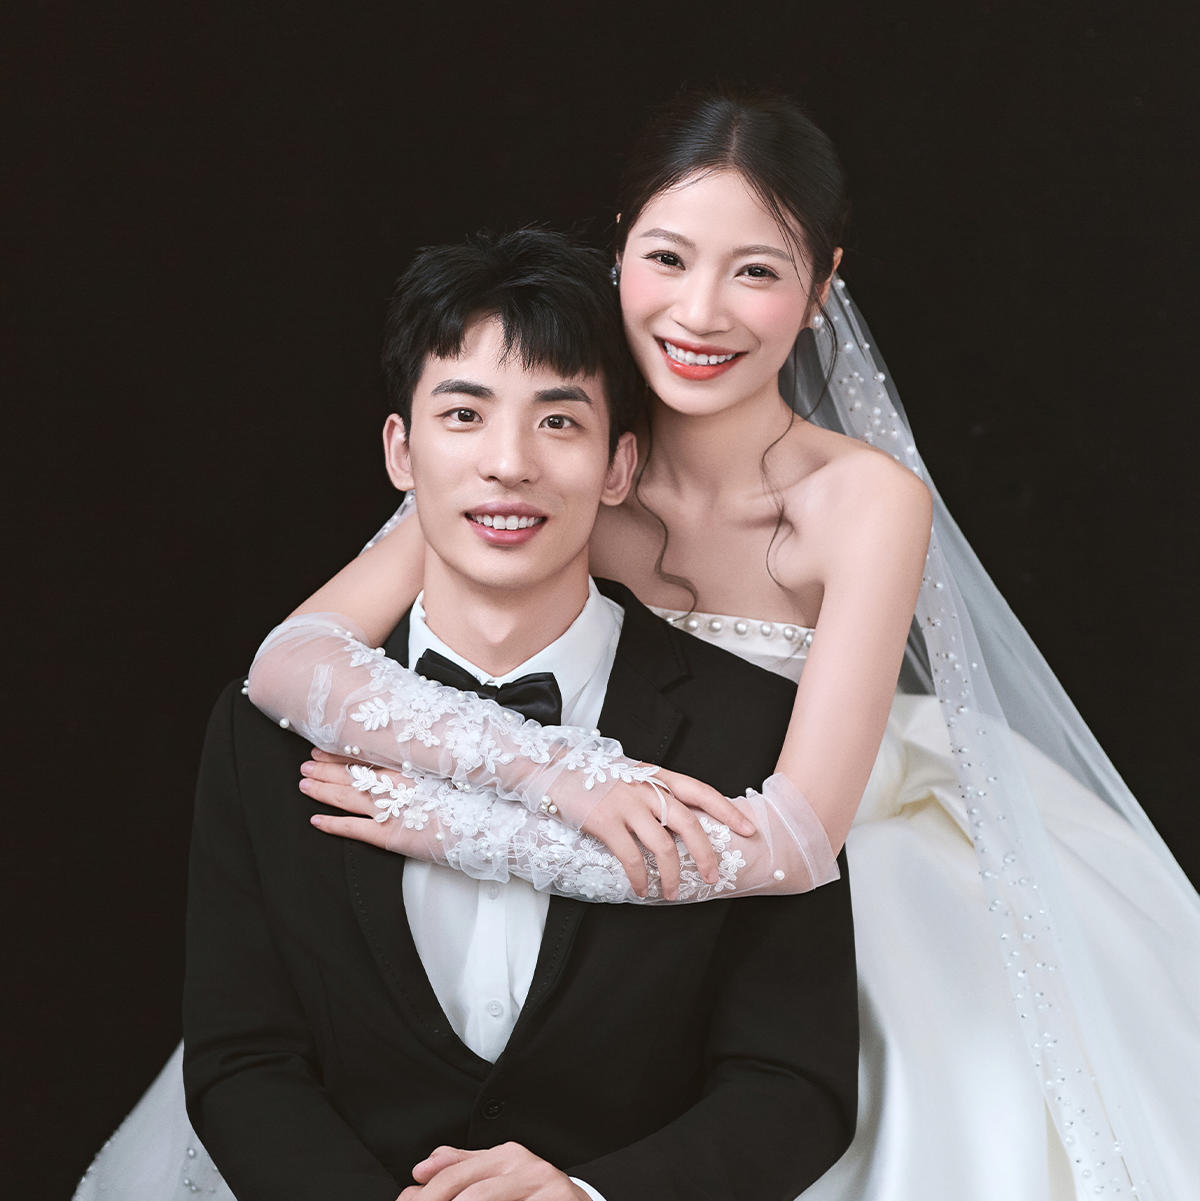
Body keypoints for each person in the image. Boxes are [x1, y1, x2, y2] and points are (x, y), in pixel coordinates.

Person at [76, 88, 1200, 1201]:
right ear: (620, 253)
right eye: (668, 258)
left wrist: (469, 830)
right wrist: (553, 773)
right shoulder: (548, 449)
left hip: (798, 875)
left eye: (756, 271)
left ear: (822, 288)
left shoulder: (861, 502)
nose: (699, 313)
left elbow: (796, 841)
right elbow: (290, 663)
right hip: (600, 913)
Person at [192, 228, 859, 1201]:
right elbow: (242, 1061)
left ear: (620, 466)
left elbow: (794, 1082)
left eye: (558, 421)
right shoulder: (260, 733)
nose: (508, 464)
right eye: (464, 414)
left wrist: (592, 1197)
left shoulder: (754, 729)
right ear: (401, 450)